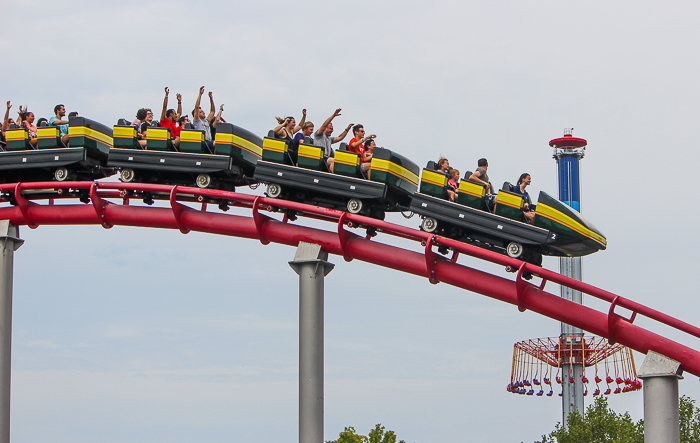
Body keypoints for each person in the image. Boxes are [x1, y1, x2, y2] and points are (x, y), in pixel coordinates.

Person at [313, 108, 352, 173]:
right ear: (325, 128)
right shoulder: (319, 135)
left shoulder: (329, 139)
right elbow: (324, 125)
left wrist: (347, 129)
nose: (332, 131)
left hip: (327, 158)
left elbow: (339, 138)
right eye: (331, 129)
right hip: (319, 157)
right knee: (336, 161)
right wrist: (333, 116)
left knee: (337, 162)